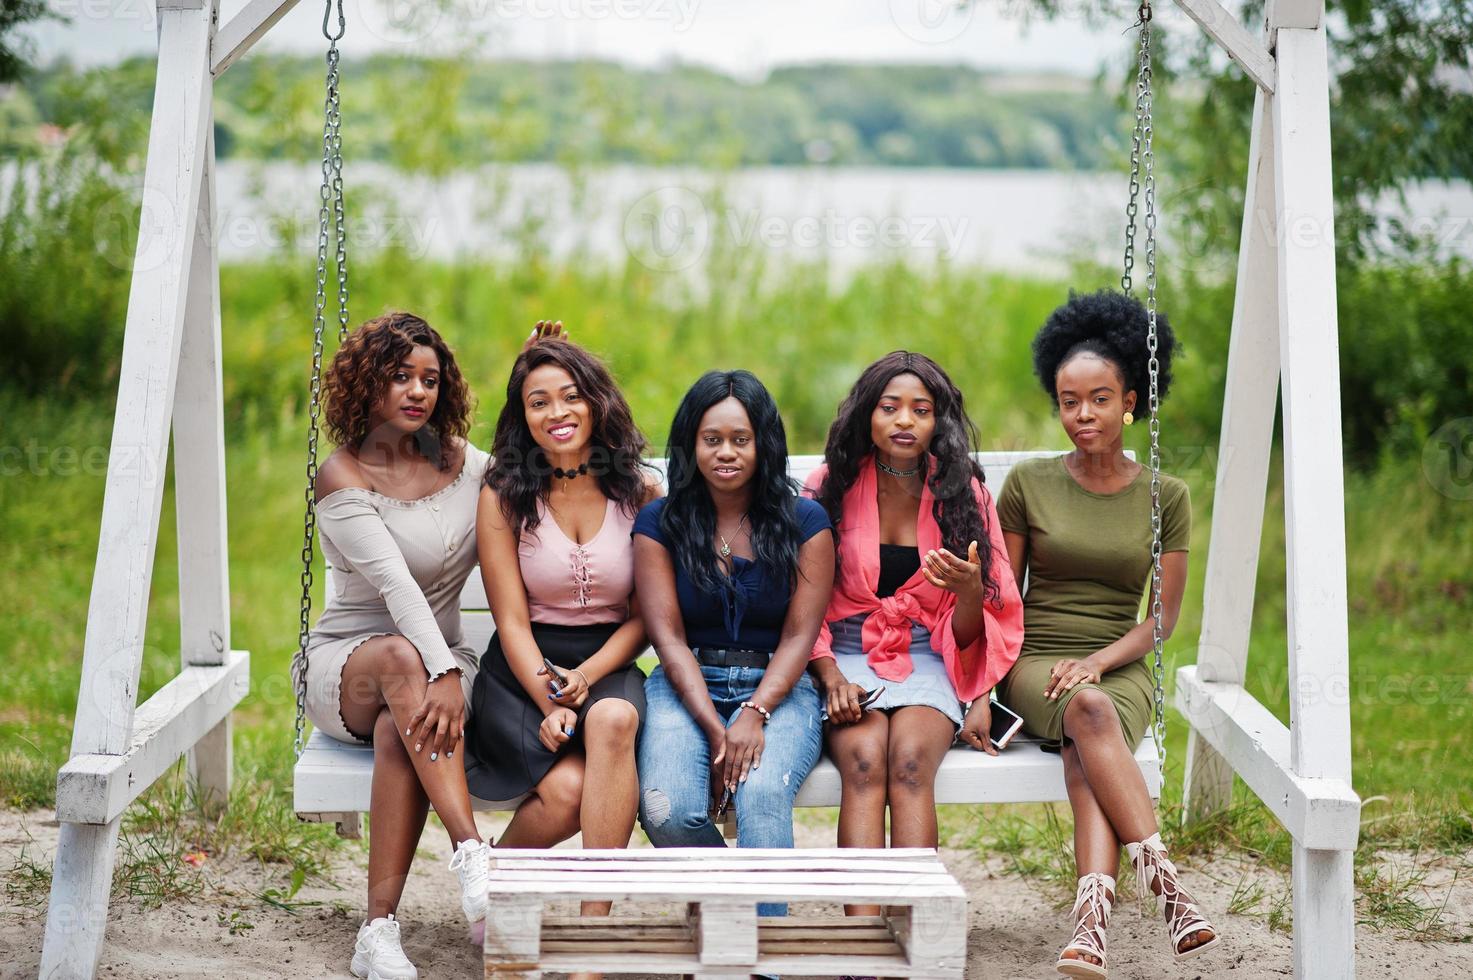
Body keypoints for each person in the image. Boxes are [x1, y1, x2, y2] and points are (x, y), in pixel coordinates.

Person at [995, 290, 1220, 977]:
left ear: (1130, 401)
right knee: (1084, 712)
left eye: (1098, 398)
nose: (1081, 414)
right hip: (1036, 661)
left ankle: (1090, 923)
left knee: (1083, 739)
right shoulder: (1027, 484)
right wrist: (1052, 670)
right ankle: (1166, 886)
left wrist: (1096, 660)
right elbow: (1005, 604)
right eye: (1068, 400)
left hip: (1116, 663)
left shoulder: (1166, 496)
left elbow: (1161, 621)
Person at [300, 311, 492, 980]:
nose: (417, 391)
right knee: (400, 665)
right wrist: (438, 668)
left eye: (429, 380)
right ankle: (472, 851)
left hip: (435, 673)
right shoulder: (342, 475)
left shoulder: (467, 465)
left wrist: (539, 371)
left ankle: (376, 933)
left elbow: (533, 477)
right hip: (350, 667)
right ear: (367, 386)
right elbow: (394, 586)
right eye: (399, 377)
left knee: (397, 734)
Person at [465, 336, 658, 980]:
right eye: (538, 401)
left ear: (597, 403)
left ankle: (592, 937)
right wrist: (551, 695)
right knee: (570, 789)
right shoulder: (504, 494)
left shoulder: (641, 493)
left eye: (571, 395)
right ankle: (498, 878)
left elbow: (645, 620)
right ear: (523, 418)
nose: (557, 412)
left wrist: (587, 680)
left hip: (609, 661)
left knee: (615, 721)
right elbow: (511, 619)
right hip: (522, 671)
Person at [805, 351, 1023, 918]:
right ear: (866, 416)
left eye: (920, 410)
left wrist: (972, 590)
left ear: (938, 421)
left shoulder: (963, 493)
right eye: (890, 407)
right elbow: (800, 602)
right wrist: (828, 674)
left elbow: (974, 629)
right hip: (843, 654)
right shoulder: (828, 486)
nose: (905, 421)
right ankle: (861, 945)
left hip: (932, 654)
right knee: (863, 763)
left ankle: (914, 934)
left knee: (907, 764)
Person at [633, 370, 834, 922]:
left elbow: (800, 634)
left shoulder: (805, 521)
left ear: (763, 443)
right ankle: (734, 908)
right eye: (712, 439)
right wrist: (713, 723)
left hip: (779, 688)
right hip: (684, 684)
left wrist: (755, 711)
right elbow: (667, 636)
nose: (726, 452)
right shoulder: (660, 522)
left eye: (741, 440)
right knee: (666, 809)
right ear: (690, 443)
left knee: (762, 795)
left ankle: (762, 956)